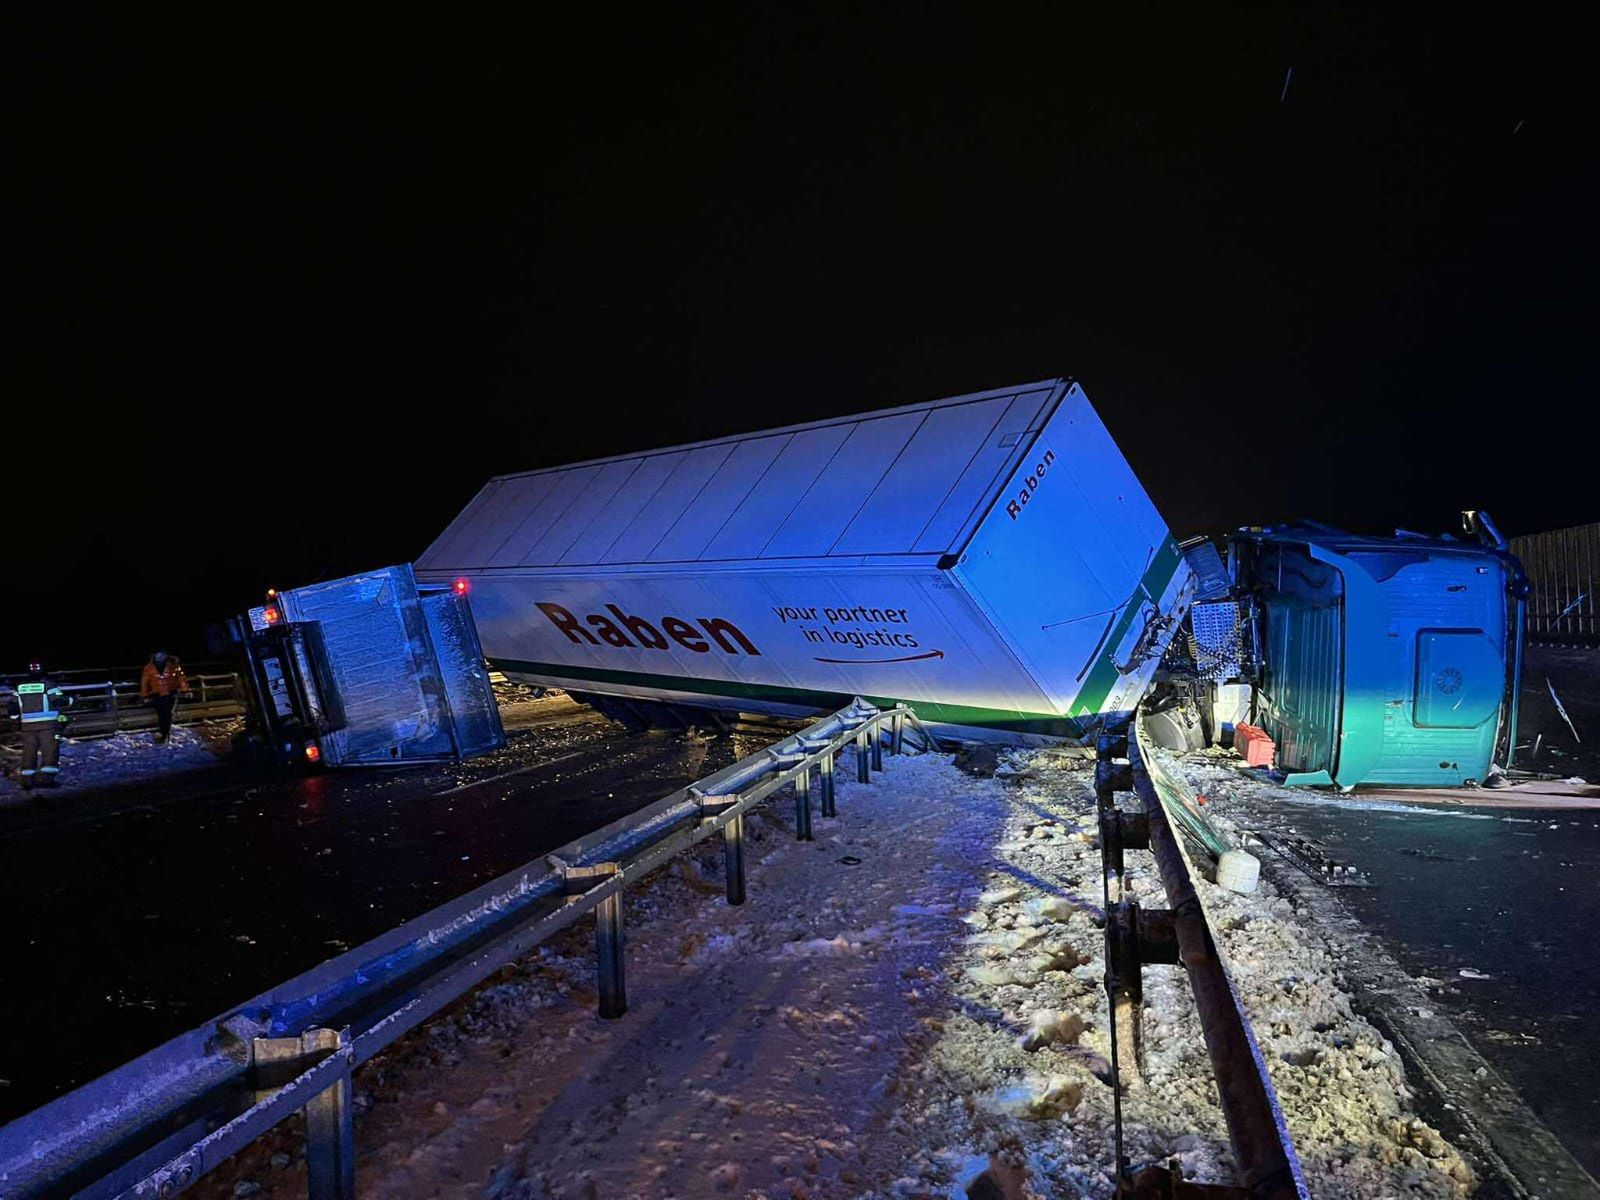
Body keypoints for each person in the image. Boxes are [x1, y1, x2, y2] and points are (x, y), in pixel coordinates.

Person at [6, 660, 73, 788]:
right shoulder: (48, 685)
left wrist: (15, 719)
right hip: (47, 726)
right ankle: (46, 780)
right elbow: (59, 701)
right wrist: (72, 700)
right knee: (49, 752)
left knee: (29, 753)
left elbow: (12, 707)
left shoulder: (20, 687)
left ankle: (27, 780)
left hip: (27, 727)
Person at [140, 650, 191, 743]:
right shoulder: (149, 667)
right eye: (157, 656)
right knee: (161, 714)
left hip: (171, 693)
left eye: (161, 656)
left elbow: (181, 678)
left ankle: (165, 734)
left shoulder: (173, 665)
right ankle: (164, 733)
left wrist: (186, 690)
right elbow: (145, 682)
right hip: (157, 694)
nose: (159, 657)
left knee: (168, 714)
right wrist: (145, 696)